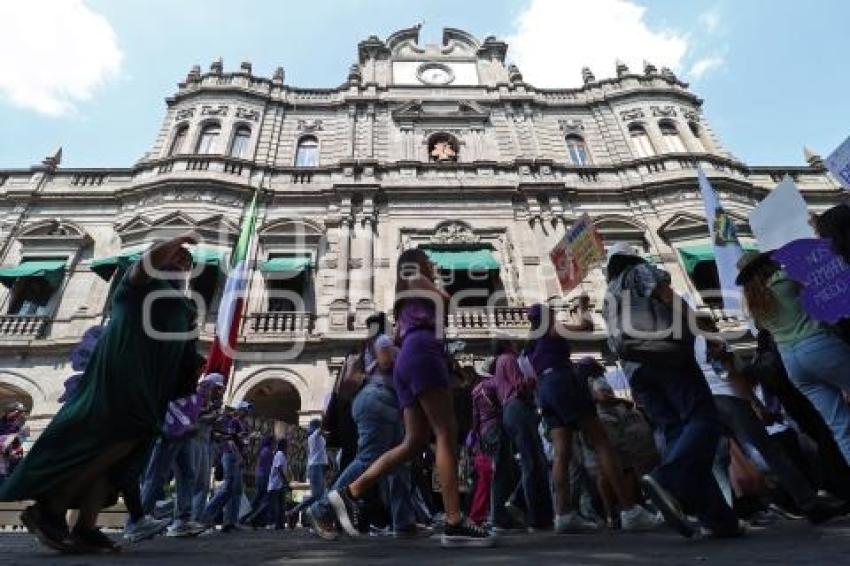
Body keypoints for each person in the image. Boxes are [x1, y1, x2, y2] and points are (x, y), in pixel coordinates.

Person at [0, 234, 201, 553]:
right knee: (119, 437)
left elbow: (185, 352)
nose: (182, 263)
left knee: (122, 457)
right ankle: (51, 507)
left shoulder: (185, 305)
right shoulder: (138, 286)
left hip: (152, 387)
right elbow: (145, 264)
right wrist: (178, 240)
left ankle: (86, 526)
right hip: (121, 377)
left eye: (187, 262)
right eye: (176, 257)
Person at [326, 248, 495, 547]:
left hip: (411, 356)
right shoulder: (414, 277)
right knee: (445, 432)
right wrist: (441, 283)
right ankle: (455, 521)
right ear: (415, 264)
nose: (434, 264)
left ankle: (350, 492)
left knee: (414, 442)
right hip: (422, 350)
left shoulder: (407, 295)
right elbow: (446, 303)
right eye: (429, 260)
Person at [603, 242, 740, 538]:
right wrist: (707, 334)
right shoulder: (640, 271)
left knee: (678, 434)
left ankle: (717, 518)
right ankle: (667, 479)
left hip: (635, 369)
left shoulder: (608, 293)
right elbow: (670, 299)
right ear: (632, 257)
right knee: (703, 419)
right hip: (666, 355)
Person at [693, 318, 844, 523]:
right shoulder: (713, 340)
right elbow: (733, 376)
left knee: (719, 459)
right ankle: (809, 503)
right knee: (770, 452)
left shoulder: (687, 344)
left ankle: (726, 514)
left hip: (706, 403)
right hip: (731, 399)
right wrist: (756, 404)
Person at [527, 302, 660, 533]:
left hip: (545, 389)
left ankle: (564, 513)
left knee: (562, 454)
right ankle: (629, 510)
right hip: (563, 381)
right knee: (601, 443)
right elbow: (586, 326)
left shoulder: (529, 348)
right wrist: (581, 306)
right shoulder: (552, 330)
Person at [736, 250, 850, 463]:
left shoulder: (754, 304)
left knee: (841, 426)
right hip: (817, 345)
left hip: (791, 361)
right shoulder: (785, 282)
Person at [308, 334, 423, 539]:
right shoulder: (385, 341)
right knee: (367, 460)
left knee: (399, 465)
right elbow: (386, 362)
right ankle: (322, 509)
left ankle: (404, 522)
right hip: (377, 400)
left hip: (390, 404)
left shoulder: (398, 344)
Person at [574, 358, 659, 526]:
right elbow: (602, 397)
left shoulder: (581, 383)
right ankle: (629, 507)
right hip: (609, 424)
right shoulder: (596, 380)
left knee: (605, 470)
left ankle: (611, 513)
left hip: (599, 423)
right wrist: (623, 401)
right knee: (624, 467)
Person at [490, 339, 551, 530]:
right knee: (532, 461)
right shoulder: (508, 359)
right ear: (507, 345)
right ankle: (530, 511)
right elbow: (520, 385)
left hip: (509, 410)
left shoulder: (498, 363)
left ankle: (521, 506)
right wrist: (532, 380)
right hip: (518, 407)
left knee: (531, 461)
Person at [201, 401, 253, 533]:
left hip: (238, 457)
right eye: (245, 410)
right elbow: (229, 440)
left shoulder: (244, 424)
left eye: (248, 410)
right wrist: (238, 455)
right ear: (239, 409)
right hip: (231, 455)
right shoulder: (233, 422)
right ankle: (206, 517)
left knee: (237, 490)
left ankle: (230, 522)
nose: (247, 413)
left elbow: (243, 440)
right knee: (228, 487)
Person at [467, 358, 500, 526]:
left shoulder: (476, 390)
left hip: (482, 433)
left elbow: (475, 418)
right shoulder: (493, 386)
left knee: (484, 477)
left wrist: (474, 437)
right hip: (495, 429)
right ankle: (494, 514)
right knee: (497, 474)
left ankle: (480, 514)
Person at [191, 372, 225, 522]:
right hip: (194, 440)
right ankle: (187, 519)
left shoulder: (211, 401)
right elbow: (195, 417)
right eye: (217, 388)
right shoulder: (199, 397)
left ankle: (196, 520)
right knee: (193, 482)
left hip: (205, 441)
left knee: (202, 484)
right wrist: (213, 415)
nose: (219, 392)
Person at [288, 419, 328, 523]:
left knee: (321, 495)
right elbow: (320, 430)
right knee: (317, 495)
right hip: (315, 467)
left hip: (319, 467)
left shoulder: (318, 437)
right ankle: (294, 511)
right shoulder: (314, 436)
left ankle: (319, 520)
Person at [241, 434, 275, 527]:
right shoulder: (268, 452)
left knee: (257, 500)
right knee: (266, 500)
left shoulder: (263, 451)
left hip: (259, 477)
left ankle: (245, 517)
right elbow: (269, 468)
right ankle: (251, 518)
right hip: (264, 477)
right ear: (271, 443)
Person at [268, 438, 290, 529]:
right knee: (276, 506)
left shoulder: (282, 455)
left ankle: (280, 524)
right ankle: (276, 524)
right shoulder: (280, 454)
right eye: (287, 445)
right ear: (284, 446)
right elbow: (279, 468)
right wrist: (285, 482)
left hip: (279, 485)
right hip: (275, 485)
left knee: (281, 505)